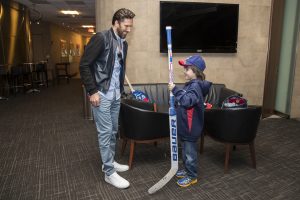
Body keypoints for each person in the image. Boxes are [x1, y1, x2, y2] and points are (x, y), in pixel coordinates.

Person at [79, 8, 135, 189]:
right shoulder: (101, 38)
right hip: (101, 94)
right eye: (126, 26)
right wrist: (92, 90)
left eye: (130, 26)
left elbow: (117, 70)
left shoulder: (123, 44)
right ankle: (109, 173)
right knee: (105, 133)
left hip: (115, 95)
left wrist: (120, 90)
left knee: (112, 131)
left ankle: (109, 162)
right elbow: (84, 65)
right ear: (116, 22)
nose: (129, 29)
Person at [168, 55, 212, 187]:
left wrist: (175, 90)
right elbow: (184, 100)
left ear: (196, 71)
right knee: (185, 151)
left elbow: (187, 102)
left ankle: (192, 176)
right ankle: (187, 170)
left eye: (187, 69)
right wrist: (176, 100)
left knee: (190, 154)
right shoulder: (190, 85)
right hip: (185, 125)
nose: (184, 71)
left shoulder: (196, 87)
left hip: (190, 127)